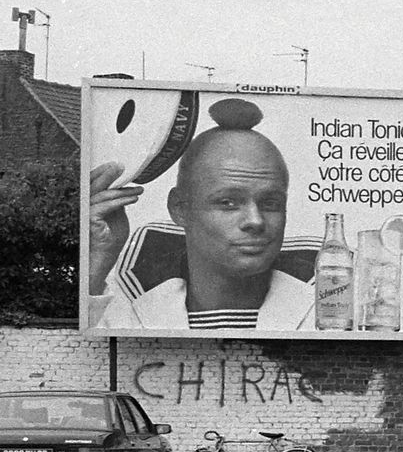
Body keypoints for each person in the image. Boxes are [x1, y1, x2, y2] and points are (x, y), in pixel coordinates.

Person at [88, 118, 317, 332]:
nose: (255, 221)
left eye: (271, 203)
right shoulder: (131, 306)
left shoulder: (327, 308)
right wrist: (99, 259)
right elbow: (91, 359)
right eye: (228, 202)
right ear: (180, 208)